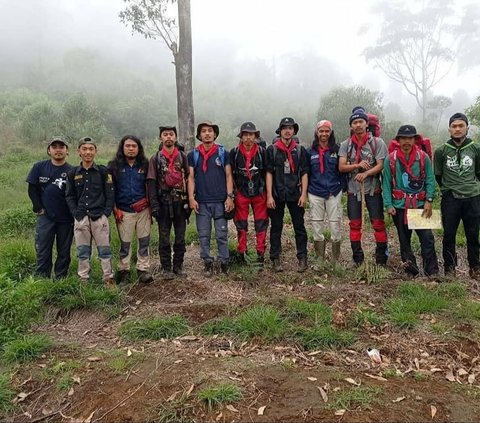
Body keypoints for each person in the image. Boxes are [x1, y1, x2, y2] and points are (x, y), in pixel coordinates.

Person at [383, 125, 439, 277]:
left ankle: (432, 271)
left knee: (427, 238)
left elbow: (430, 180)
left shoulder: (423, 157)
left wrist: (429, 200)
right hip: (399, 206)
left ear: (415, 140)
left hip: (420, 206)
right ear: (398, 140)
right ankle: (410, 270)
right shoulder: (391, 159)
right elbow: (386, 183)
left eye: (410, 138)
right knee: (404, 240)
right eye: (403, 138)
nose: (406, 141)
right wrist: (388, 204)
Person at [339, 107, 388, 266]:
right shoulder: (346, 145)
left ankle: (381, 259)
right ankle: (358, 259)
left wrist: (366, 173)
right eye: (355, 122)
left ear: (367, 124)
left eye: (361, 121)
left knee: (378, 224)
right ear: (351, 126)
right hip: (354, 191)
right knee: (354, 224)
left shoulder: (377, 143)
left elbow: (381, 165)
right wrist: (357, 166)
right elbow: (341, 167)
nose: (358, 125)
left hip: (373, 190)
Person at [434, 112, 480, 279]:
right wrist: (448, 190)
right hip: (450, 199)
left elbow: (478, 172)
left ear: (467, 128)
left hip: (473, 198)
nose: (458, 129)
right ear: (449, 129)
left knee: (473, 235)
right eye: (454, 126)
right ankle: (449, 269)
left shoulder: (476, 148)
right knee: (449, 235)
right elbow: (438, 175)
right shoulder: (441, 151)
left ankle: (475, 268)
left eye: (461, 126)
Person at [65, 137, 115, 288]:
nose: (88, 152)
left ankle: (108, 278)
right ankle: (83, 279)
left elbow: (110, 193)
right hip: (81, 218)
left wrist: (106, 213)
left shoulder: (103, 171)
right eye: (84, 149)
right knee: (82, 251)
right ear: (78, 152)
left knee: (104, 251)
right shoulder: (72, 173)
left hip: (99, 217)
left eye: (91, 149)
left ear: (95, 151)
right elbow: (69, 195)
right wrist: (75, 213)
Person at [187, 121, 234, 276]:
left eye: (210, 131)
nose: (207, 133)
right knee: (204, 234)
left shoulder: (223, 153)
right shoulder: (193, 155)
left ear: (215, 134)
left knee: (221, 234)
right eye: (204, 131)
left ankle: (224, 262)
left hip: (220, 201)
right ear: (199, 135)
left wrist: (229, 196)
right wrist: (191, 199)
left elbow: (228, 175)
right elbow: (191, 178)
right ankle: (207, 261)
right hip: (202, 202)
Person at [26, 137, 74, 279]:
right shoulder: (39, 167)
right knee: (43, 248)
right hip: (45, 216)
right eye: (54, 147)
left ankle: (61, 277)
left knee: (64, 251)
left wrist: (74, 215)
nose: (58, 150)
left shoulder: (72, 171)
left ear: (67, 151)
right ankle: (42, 277)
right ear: (49, 150)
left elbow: (76, 195)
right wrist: (38, 208)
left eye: (61, 147)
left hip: (66, 218)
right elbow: (32, 189)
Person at [266, 117, 309, 272]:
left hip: (294, 194)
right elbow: (269, 173)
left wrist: (304, 194)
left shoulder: (300, 150)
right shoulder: (272, 150)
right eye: (284, 128)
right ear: (280, 131)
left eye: (290, 128)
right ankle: (275, 258)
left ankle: (302, 257)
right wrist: (269, 195)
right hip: (277, 194)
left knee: (299, 227)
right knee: (276, 227)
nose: (287, 130)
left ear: (294, 131)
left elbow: (304, 173)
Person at [109, 135, 153, 285]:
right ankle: (124, 271)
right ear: (122, 148)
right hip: (123, 210)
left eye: (134, 146)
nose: (131, 148)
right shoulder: (114, 166)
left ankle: (143, 269)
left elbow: (151, 186)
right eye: (128, 146)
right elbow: (110, 190)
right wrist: (115, 209)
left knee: (144, 240)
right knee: (125, 243)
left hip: (143, 210)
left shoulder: (146, 165)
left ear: (139, 148)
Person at [147, 126, 189, 279]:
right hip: (163, 202)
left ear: (176, 138)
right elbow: (151, 182)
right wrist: (154, 205)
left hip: (180, 202)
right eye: (165, 135)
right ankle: (166, 269)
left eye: (171, 134)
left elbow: (189, 179)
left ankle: (178, 267)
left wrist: (189, 202)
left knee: (180, 237)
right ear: (161, 138)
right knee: (164, 238)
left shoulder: (183, 157)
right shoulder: (155, 158)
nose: (168, 137)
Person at [230, 122, 268, 265]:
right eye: (245, 135)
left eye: (250, 135)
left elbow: (267, 173)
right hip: (241, 192)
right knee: (241, 224)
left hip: (259, 192)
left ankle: (260, 254)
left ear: (255, 136)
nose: (248, 138)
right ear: (241, 137)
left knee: (261, 223)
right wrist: (233, 192)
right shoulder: (234, 153)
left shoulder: (262, 152)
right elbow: (230, 173)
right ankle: (241, 253)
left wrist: (267, 192)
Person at [307, 120, 345, 263]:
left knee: (335, 225)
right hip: (315, 192)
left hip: (334, 192)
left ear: (331, 132)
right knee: (317, 226)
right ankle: (319, 259)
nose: (324, 134)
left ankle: (335, 261)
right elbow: (306, 172)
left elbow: (341, 171)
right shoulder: (309, 151)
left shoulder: (338, 149)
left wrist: (343, 187)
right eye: (321, 131)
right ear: (317, 132)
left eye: (326, 131)